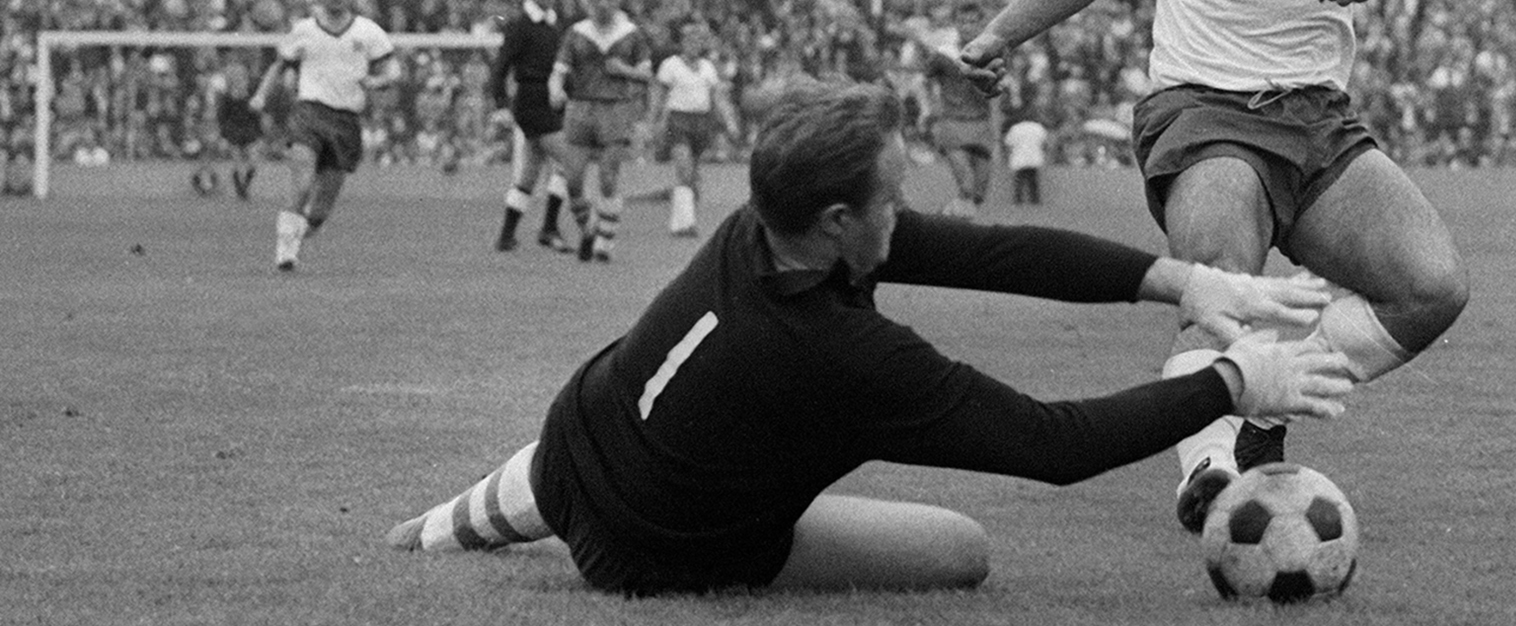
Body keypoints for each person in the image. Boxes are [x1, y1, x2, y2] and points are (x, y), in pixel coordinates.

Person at [384, 78, 1355, 597]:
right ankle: (493, 522)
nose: (909, 205)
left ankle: (433, 532)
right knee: (959, 549)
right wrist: (1235, 379)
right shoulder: (839, 356)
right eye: (891, 193)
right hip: (653, 548)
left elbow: (993, 255)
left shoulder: (762, 226)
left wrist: (1189, 279)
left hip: (578, 437)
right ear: (843, 219)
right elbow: (1052, 446)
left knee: (615, 439)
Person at [958, 0, 1472, 533]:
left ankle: (1259, 405)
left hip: (1317, 114)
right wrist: (1002, 32)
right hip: (1202, 112)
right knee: (1223, 283)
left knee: (1431, 289)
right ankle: (1205, 467)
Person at [249, 0, 398, 272]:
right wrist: (262, 94)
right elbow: (280, 64)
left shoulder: (368, 32)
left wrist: (376, 81)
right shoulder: (304, 30)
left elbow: (392, 69)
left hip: (346, 122)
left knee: (320, 209)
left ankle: (297, 237)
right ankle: (284, 255)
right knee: (302, 184)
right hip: (309, 114)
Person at [549, 0, 651, 263]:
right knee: (573, 180)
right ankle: (589, 229)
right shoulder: (577, 33)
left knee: (608, 177)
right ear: (589, 0)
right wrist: (555, 90)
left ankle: (605, 244)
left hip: (615, 109)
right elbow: (558, 71)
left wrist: (624, 70)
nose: (603, 3)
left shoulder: (631, 34)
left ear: (617, 0)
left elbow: (646, 74)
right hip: (580, 108)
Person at [487, 0, 575, 253]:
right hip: (532, 102)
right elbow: (500, 67)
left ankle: (506, 235)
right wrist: (501, 103)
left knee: (530, 172)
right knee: (570, 160)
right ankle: (549, 228)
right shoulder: (521, 25)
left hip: (551, 102)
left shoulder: (555, 23)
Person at [648, 18, 741, 238]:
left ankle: (682, 220)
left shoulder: (707, 68)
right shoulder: (670, 65)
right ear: (682, 42)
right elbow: (659, 95)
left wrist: (729, 122)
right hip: (678, 120)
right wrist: (653, 121)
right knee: (683, 167)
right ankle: (684, 224)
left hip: (701, 122)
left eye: (698, 41)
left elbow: (717, 98)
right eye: (689, 40)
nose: (693, 45)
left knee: (693, 173)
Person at [916, 21, 997, 217]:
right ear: (957, 25)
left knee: (979, 194)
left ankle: (942, 221)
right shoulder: (944, 55)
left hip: (981, 123)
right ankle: (949, 230)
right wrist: (928, 108)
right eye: (964, 21)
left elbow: (997, 91)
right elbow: (923, 81)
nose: (968, 26)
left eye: (974, 21)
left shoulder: (991, 53)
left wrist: (996, 124)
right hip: (953, 121)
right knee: (967, 187)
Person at [190, 58, 266, 200]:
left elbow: (257, 118)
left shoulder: (251, 96)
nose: (239, 79)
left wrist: (260, 135)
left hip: (249, 131)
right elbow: (222, 117)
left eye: (241, 76)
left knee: (253, 161)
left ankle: (245, 186)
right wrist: (224, 135)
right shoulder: (227, 97)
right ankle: (240, 191)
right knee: (236, 162)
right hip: (233, 131)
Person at [1002, 107, 1049, 206]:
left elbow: (1008, 143)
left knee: (1019, 179)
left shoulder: (1015, 128)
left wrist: (1007, 156)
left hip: (1019, 157)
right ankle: (1035, 200)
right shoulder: (1038, 127)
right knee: (1033, 180)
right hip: (1034, 156)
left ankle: (1018, 200)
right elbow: (1045, 143)